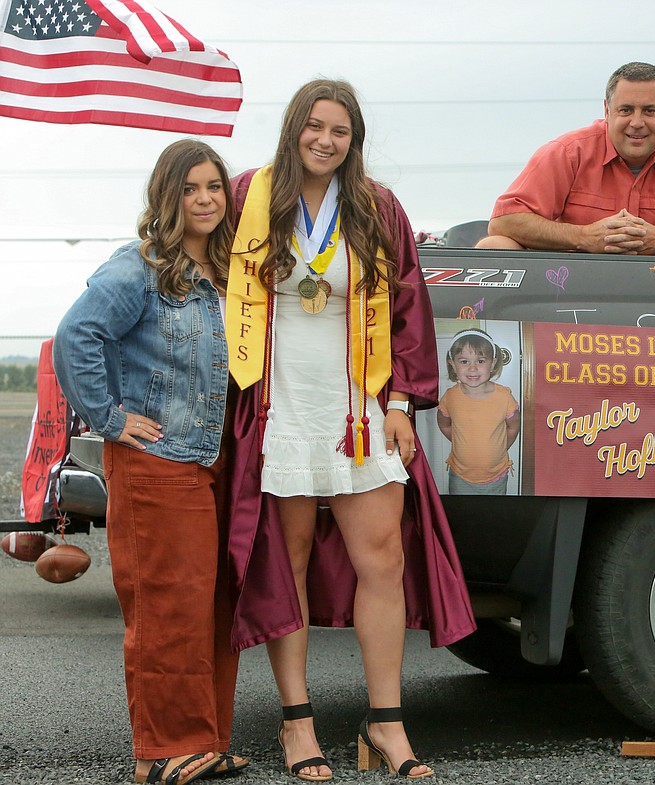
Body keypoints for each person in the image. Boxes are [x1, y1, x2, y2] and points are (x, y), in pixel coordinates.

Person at [224, 79, 475, 781]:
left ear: (353, 140)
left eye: (340, 130)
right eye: (315, 126)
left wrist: (401, 401)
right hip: (280, 406)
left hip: (359, 407)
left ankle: (385, 722)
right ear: (293, 129)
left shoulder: (375, 206)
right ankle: (297, 722)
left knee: (382, 559)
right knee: (290, 559)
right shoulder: (251, 196)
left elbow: (408, 307)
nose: (326, 141)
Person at [54, 140, 246, 785]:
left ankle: (205, 740)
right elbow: (78, 335)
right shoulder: (139, 268)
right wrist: (109, 419)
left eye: (214, 187)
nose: (205, 199)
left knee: (214, 605)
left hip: (216, 460)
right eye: (190, 188)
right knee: (167, 606)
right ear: (167, 195)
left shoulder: (225, 271)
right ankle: (162, 752)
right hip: (156, 461)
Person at [477, 62, 655, 258]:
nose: (637, 123)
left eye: (649, 111)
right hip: (565, 286)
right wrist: (584, 237)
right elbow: (504, 221)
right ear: (607, 110)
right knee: (493, 246)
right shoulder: (569, 151)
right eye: (625, 110)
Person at [436, 328, 520, 495]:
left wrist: (500, 447)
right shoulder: (450, 397)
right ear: (453, 364)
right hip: (460, 477)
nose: (472, 368)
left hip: (496, 476)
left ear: (493, 362)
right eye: (464, 361)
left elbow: (513, 427)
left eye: (480, 361)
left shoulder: (504, 397)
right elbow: (444, 423)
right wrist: (460, 442)